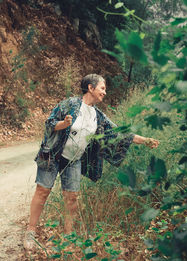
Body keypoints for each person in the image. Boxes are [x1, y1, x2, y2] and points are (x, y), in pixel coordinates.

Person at [23, 74, 159, 250]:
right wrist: (63, 124)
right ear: (90, 88)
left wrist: (145, 140)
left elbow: (120, 132)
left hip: (73, 160)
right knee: (42, 191)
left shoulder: (98, 116)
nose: (104, 92)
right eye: (102, 88)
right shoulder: (69, 104)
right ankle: (30, 231)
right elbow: (49, 123)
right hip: (53, 155)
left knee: (72, 197)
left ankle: (68, 237)